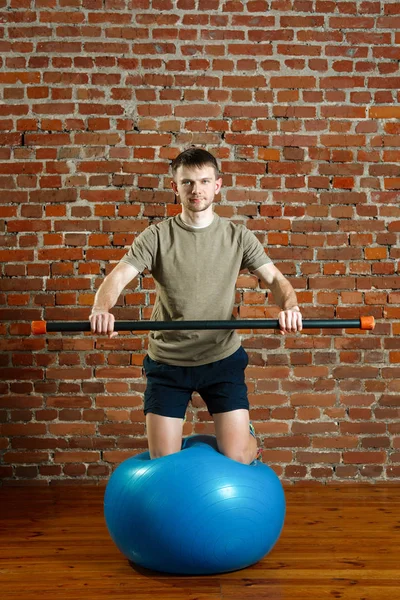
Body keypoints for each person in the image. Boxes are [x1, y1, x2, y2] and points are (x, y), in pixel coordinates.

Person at [89, 148, 302, 464]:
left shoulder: (238, 236)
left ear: (218, 185)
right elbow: (119, 277)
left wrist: (290, 306)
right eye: (187, 182)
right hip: (168, 361)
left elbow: (275, 279)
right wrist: (101, 309)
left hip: (221, 358)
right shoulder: (156, 237)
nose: (196, 189)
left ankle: (247, 438)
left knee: (237, 455)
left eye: (204, 181)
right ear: (175, 186)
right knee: (163, 459)